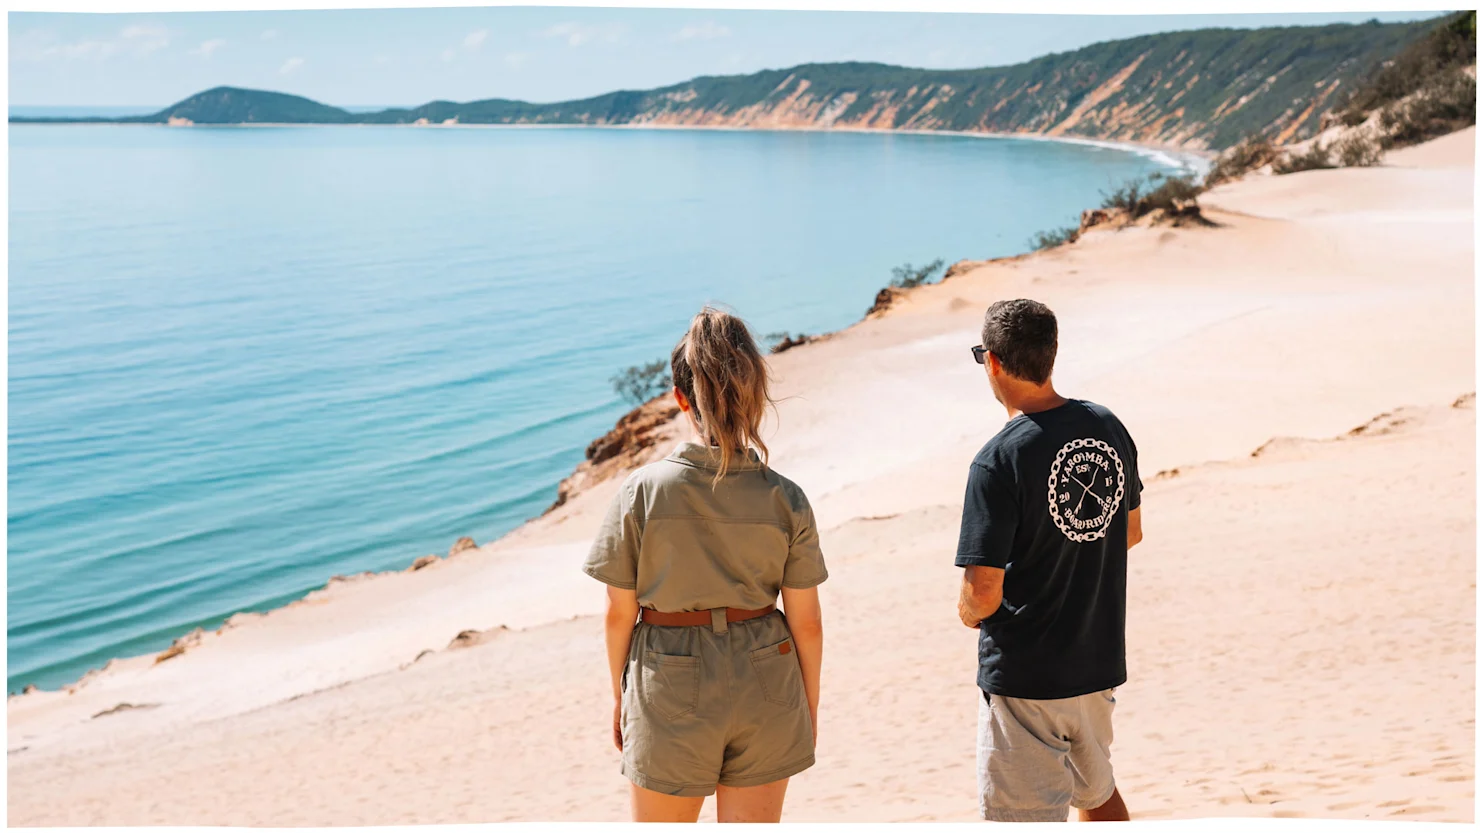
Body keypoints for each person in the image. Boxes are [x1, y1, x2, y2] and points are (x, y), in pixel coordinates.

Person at [583, 306, 827, 823]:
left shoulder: (641, 492)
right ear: (751, 393)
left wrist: (619, 697)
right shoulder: (787, 498)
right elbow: (807, 621)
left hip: (669, 675)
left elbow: (616, 615)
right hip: (769, 672)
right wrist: (807, 705)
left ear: (679, 398)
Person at [955, 298, 1143, 823]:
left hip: (1027, 676)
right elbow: (1130, 531)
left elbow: (983, 591)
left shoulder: (997, 461)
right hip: (1096, 661)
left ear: (992, 362)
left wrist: (968, 614)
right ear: (1051, 354)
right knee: (1098, 795)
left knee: (1021, 818)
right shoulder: (1107, 426)